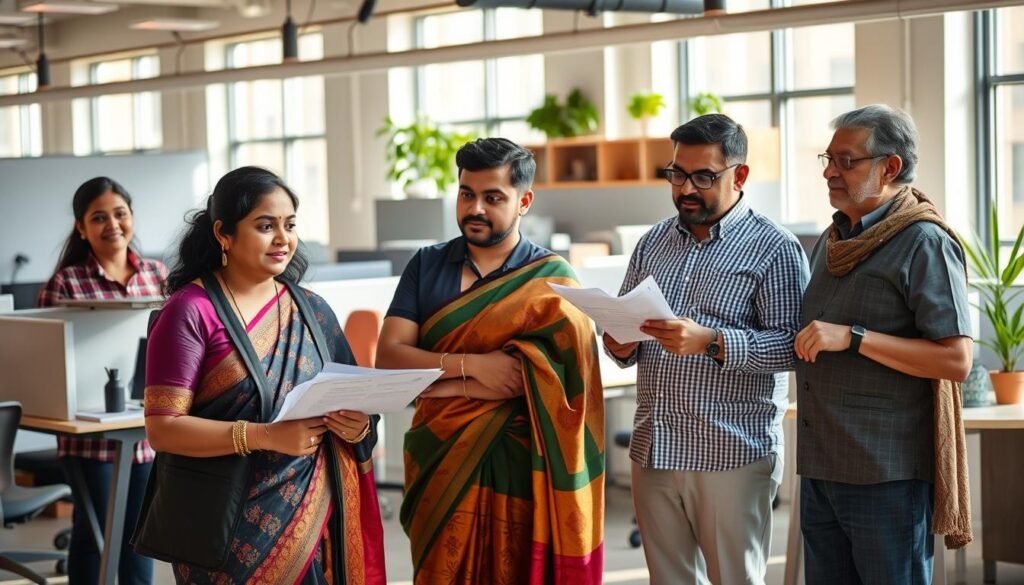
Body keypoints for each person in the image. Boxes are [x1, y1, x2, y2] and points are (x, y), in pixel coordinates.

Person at [140, 166, 386, 584]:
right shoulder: (190, 312)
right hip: (223, 527)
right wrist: (263, 436)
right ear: (224, 234)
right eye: (265, 225)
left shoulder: (311, 309)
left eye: (289, 225)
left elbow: (355, 397)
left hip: (313, 520)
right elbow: (163, 429)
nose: (282, 239)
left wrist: (358, 424)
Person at [375, 138, 605, 584]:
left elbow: (562, 387)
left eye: (492, 197)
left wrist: (434, 378)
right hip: (439, 456)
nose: (474, 208)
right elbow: (389, 360)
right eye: (466, 194)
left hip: (522, 466)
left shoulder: (552, 282)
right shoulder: (427, 264)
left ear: (524, 201)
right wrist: (474, 368)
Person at [604, 114, 809, 585]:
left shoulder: (774, 248)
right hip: (655, 446)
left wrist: (713, 341)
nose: (685, 189)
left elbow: (793, 347)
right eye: (677, 174)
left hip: (731, 451)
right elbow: (627, 331)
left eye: (703, 177)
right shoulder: (652, 243)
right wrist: (618, 341)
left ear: (739, 176)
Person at [794, 104, 973, 584]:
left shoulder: (925, 242)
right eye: (827, 160)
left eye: (845, 161)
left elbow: (956, 360)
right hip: (821, 465)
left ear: (889, 167)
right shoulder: (833, 239)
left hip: (885, 475)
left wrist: (854, 338)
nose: (830, 171)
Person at [38, 176, 165, 585]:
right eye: (98, 217)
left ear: (132, 217)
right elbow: (46, 361)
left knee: (140, 537)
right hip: (89, 437)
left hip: (143, 431)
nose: (112, 224)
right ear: (81, 227)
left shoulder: (156, 275)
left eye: (120, 213)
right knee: (95, 537)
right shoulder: (66, 283)